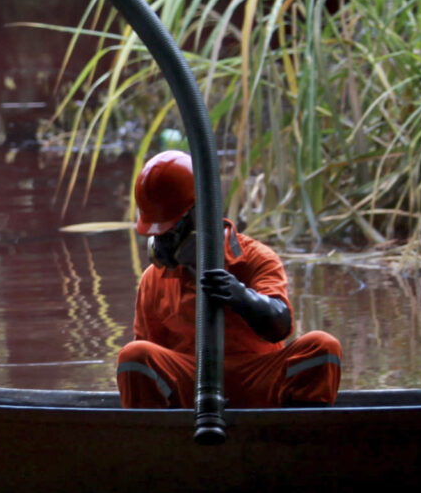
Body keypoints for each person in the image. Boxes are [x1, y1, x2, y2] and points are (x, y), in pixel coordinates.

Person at [115, 152, 342, 408]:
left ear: (201, 213)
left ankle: (296, 439)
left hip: (259, 377)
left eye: (170, 232)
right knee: (133, 356)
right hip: (192, 382)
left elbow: (280, 326)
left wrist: (241, 296)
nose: (163, 245)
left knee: (323, 347)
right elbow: (148, 354)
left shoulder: (256, 258)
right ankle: (161, 440)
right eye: (158, 235)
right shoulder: (153, 280)